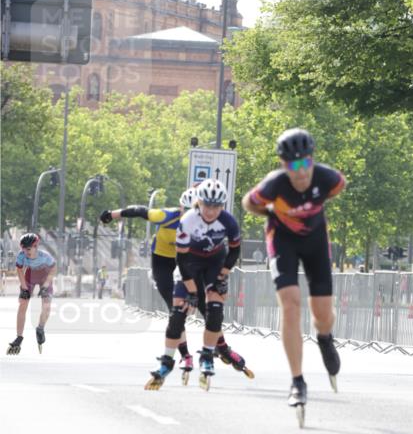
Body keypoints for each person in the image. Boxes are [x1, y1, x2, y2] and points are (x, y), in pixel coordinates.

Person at [242, 127, 346, 410]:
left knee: (322, 316)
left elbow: (338, 188)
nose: (300, 172)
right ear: (283, 165)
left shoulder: (330, 179)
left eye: (305, 163)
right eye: (292, 165)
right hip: (282, 241)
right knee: (290, 304)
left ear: (312, 160)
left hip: (315, 243)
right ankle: (297, 380)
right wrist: (272, 214)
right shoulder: (274, 185)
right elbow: (248, 203)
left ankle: (325, 339)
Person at [147, 179, 251, 390]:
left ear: (222, 206)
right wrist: (193, 292)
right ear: (198, 203)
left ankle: (207, 354)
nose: (211, 211)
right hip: (190, 263)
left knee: (215, 309)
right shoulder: (188, 221)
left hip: (215, 262)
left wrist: (223, 275)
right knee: (178, 312)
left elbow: (235, 251)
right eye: (206, 205)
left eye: (216, 206)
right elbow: (182, 261)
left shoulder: (229, 221)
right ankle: (167, 362)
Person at [100, 190, 200, 372]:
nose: (189, 216)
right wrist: (112, 214)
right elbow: (140, 211)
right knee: (174, 309)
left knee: (194, 303)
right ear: (180, 208)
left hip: (184, 260)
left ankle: (216, 346)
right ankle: (186, 355)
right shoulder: (167, 215)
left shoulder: (201, 224)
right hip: (162, 260)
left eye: (194, 211)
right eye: (186, 211)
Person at [7, 233, 56, 354]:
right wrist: (24, 288)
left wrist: (45, 286)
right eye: (23, 249)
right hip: (30, 275)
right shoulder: (21, 256)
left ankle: (40, 328)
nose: (26, 252)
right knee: (22, 304)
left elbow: (53, 269)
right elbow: (19, 270)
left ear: (36, 246)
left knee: (46, 305)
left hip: (45, 275)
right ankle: (19, 337)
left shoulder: (45, 256)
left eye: (28, 249)